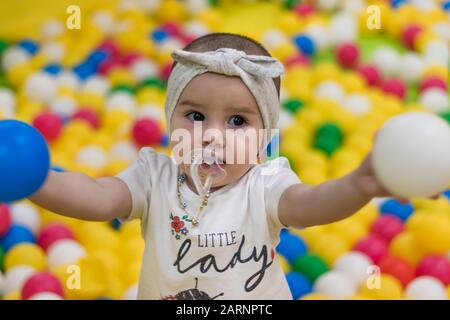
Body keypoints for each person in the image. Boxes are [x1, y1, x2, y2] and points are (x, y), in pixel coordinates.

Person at [29, 32, 415, 299]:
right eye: (195, 115)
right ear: (170, 122)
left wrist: (359, 185)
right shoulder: (154, 177)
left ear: (264, 138)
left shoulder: (264, 184)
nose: (213, 136)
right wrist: (37, 181)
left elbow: (311, 203)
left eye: (237, 122)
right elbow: (97, 198)